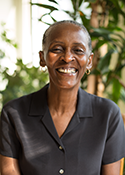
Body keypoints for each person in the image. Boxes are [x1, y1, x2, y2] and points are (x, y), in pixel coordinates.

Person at [0, 20, 125, 175]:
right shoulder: (13, 113)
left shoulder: (108, 115)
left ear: (89, 61)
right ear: (42, 58)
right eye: (57, 49)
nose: (67, 58)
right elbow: (9, 171)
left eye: (78, 50)